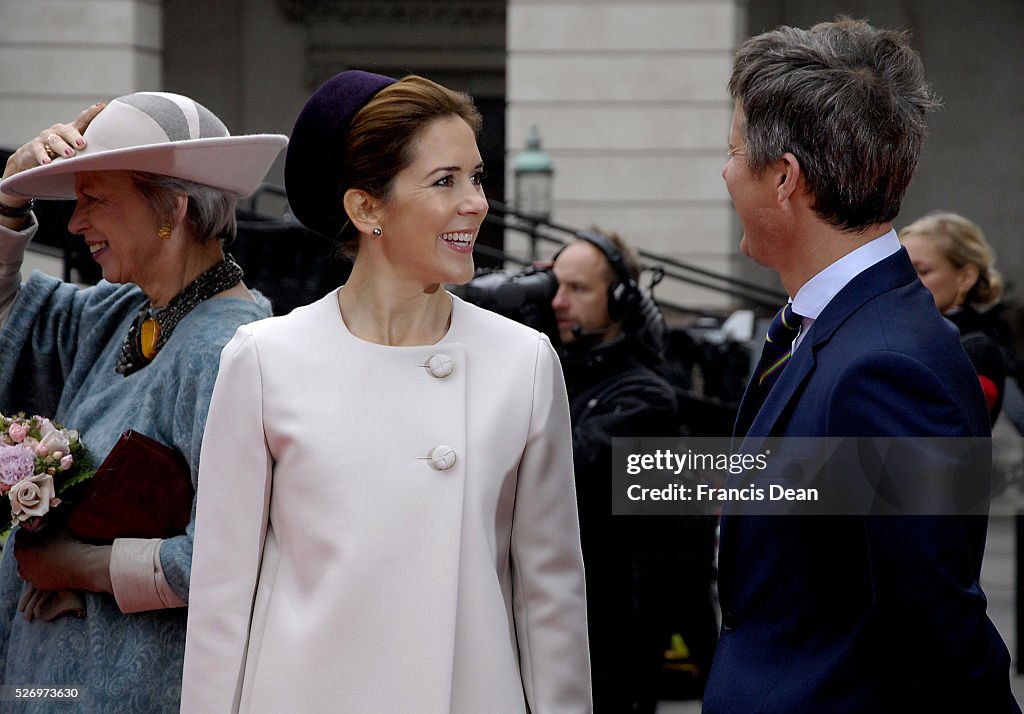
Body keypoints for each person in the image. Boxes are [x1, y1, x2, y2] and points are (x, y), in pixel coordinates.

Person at [180, 70, 591, 713]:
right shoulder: (265, 361)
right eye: (445, 181)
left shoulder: (524, 363)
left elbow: (550, 599)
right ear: (366, 207)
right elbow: (222, 600)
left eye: (476, 177)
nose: (477, 203)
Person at [704, 17, 1019, 712]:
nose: (724, 172)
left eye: (731, 151)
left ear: (784, 177)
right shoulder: (837, 332)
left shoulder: (889, 368)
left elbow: (939, 633)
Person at [0, 94, 285, 710]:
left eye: (94, 198)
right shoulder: (121, 311)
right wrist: (7, 202)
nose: (75, 223)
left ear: (172, 209)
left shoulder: (229, 351)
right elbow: (5, 329)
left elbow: (232, 559)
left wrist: (76, 565)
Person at [550, 230, 716, 712]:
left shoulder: (645, 392)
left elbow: (564, 471)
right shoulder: (544, 367)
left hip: (612, 629)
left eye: (578, 289)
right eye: (555, 287)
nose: (559, 302)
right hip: (555, 616)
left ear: (620, 301)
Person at [900, 212, 1009, 422]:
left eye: (921, 271)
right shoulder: (894, 333)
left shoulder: (977, 349)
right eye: (901, 271)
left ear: (966, 277)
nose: (906, 282)